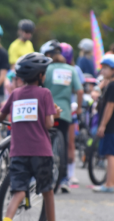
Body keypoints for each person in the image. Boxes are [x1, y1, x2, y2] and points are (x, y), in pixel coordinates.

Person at [0, 52, 74, 221]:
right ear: (40, 75)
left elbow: (1, 116)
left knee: (18, 192)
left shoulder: (16, 94)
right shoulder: (45, 94)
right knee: (48, 193)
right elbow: (49, 124)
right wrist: (55, 113)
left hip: (18, 151)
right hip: (41, 151)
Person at [41, 40, 83, 193]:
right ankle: (64, 178)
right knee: (64, 143)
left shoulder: (46, 69)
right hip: (65, 112)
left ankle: (41, 175)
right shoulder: (71, 70)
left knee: (44, 142)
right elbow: (80, 91)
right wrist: (78, 109)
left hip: (48, 111)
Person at [92, 55, 114, 193]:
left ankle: (110, 183)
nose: (102, 71)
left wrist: (103, 125)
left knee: (110, 154)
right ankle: (108, 182)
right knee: (107, 153)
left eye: (106, 68)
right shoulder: (108, 84)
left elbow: (109, 107)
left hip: (111, 126)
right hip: (110, 125)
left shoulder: (113, 86)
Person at [60, 42, 85, 185]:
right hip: (59, 111)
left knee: (70, 143)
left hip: (71, 110)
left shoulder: (75, 70)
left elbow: (79, 89)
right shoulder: (53, 68)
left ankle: (71, 172)